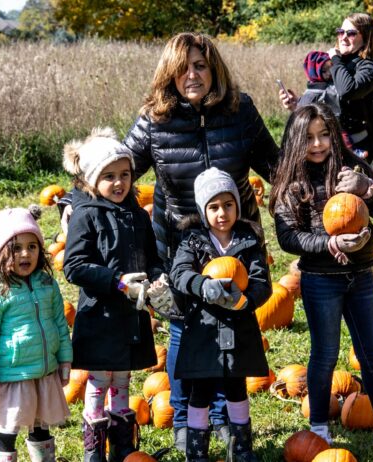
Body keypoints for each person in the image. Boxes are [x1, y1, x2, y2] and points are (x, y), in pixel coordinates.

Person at [119, 32, 279, 450]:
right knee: (184, 330)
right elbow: (118, 168)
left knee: (231, 325)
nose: (192, 75)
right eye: (183, 68)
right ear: (169, 74)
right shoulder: (155, 120)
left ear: (214, 69)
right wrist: (76, 202)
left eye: (200, 66)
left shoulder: (240, 110)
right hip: (179, 245)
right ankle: (183, 417)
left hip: (235, 242)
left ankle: (224, 416)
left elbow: (276, 165)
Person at [268, 103, 373, 456]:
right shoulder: (292, 182)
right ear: (296, 141)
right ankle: (319, 429)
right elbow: (288, 237)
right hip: (320, 280)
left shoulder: (353, 169)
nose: (318, 144)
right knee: (324, 355)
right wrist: (329, 243)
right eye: (309, 138)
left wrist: (368, 188)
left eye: (324, 135)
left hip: (361, 277)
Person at [61, 127, 172, 462]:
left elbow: (152, 258)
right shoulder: (86, 214)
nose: (119, 182)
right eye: (109, 176)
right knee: (98, 381)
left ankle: (122, 447)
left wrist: (157, 280)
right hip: (100, 315)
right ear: (92, 179)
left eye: (125, 174)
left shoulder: (138, 215)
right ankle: (94, 450)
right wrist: (118, 282)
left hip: (130, 316)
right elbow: (74, 266)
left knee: (122, 380)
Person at [170, 167, 271, 462]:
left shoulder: (249, 240)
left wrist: (245, 301)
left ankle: (241, 449)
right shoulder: (192, 240)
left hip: (239, 327)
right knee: (200, 390)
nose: (222, 213)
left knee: (237, 388)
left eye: (228, 205)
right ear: (203, 211)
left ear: (237, 206)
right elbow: (179, 273)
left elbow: (262, 282)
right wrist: (202, 285)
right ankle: (196, 450)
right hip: (204, 329)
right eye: (213, 207)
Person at [0, 207, 73, 462]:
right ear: (2, 252)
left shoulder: (47, 285)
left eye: (32, 246)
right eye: (16, 248)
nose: (25, 253)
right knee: (8, 429)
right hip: (12, 376)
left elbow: (60, 323)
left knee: (41, 427)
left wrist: (65, 359)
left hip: (43, 373)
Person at [280, 13, 373, 162]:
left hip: (357, 151)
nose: (343, 37)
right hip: (328, 148)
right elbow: (328, 98)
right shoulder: (339, 63)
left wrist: (335, 59)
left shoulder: (368, 69)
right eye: (341, 32)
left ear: (366, 37)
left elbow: (347, 90)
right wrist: (298, 106)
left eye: (351, 33)